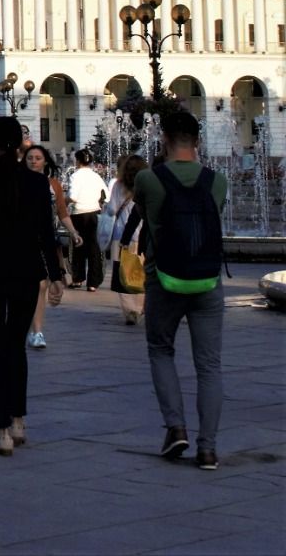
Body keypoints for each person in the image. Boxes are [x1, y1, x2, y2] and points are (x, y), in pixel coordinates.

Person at [133, 109, 227, 470]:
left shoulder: (148, 179)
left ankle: (176, 429)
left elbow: (145, 216)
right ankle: (208, 448)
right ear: (198, 142)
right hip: (208, 280)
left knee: (160, 349)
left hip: (164, 279)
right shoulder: (217, 181)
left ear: (164, 140)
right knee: (209, 365)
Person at [0, 115, 64, 456]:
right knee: (16, 347)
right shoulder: (38, 183)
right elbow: (45, 233)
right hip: (26, 272)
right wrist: (56, 274)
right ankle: (20, 421)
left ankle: (2, 430)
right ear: (20, 144)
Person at [23, 145, 75, 349]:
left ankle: (37, 331)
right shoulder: (19, 184)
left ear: (45, 161)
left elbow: (62, 212)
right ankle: (26, 324)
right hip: (21, 241)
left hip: (45, 239)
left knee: (40, 284)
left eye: (37, 158)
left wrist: (73, 231)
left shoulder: (53, 185)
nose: (34, 161)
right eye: (30, 158)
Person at [107, 153, 149, 325]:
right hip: (143, 235)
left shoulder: (118, 185)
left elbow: (111, 209)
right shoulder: (148, 184)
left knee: (122, 271)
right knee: (140, 271)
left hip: (121, 235)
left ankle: (130, 310)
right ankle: (140, 308)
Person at [66, 149, 108, 291]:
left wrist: (63, 202)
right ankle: (93, 283)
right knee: (94, 248)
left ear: (77, 161)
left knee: (78, 246)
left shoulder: (75, 176)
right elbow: (105, 196)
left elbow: (73, 196)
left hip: (79, 214)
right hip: (94, 213)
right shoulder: (96, 176)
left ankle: (78, 278)